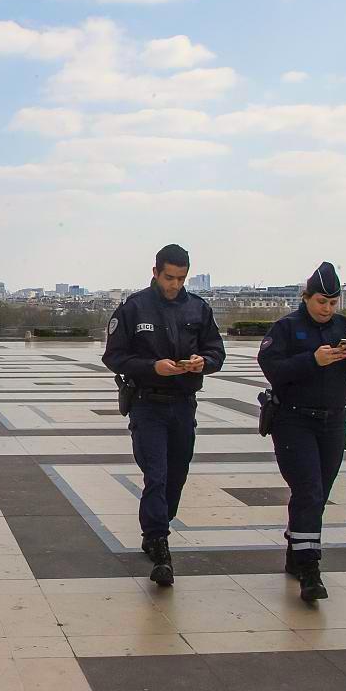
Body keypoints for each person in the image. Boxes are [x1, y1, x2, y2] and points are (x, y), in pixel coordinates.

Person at [103, 244, 225, 586]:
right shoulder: (134, 308)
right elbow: (114, 357)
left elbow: (216, 350)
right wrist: (152, 367)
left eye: (181, 279)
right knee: (156, 474)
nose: (174, 285)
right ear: (155, 272)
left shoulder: (198, 308)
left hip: (183, 403)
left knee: (176, 474)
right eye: (169, 277)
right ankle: (158, 540)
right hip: (148, 403)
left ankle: (159, 525)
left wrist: (204, 362)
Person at [256, 262, 346, 601]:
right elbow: (271, 368)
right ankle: (311, 569)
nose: (327, 309)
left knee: (318, 494)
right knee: (308, 489)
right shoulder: (286, 327)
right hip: (293, 421)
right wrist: (313, 360)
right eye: (321, 302)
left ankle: (297, 549)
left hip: (333, 423)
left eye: (333, 302)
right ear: (306, 298)